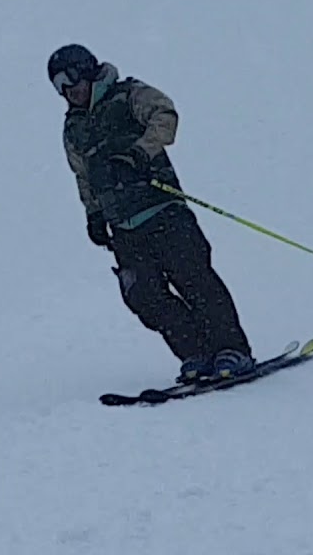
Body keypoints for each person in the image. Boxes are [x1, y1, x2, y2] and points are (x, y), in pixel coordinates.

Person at [49, 43, 256, 381]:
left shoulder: (128, 95)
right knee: (143, 294)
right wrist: (94, 214)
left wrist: (140, 153)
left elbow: (165, 114)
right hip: (123, 225)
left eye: (70, 81)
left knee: (193, 279)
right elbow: (82, 175)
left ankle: (231, 349)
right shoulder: (73, 128)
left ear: (86, 70)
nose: (67, 92)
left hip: (162, 209)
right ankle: (196, 353)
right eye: (59, 87)